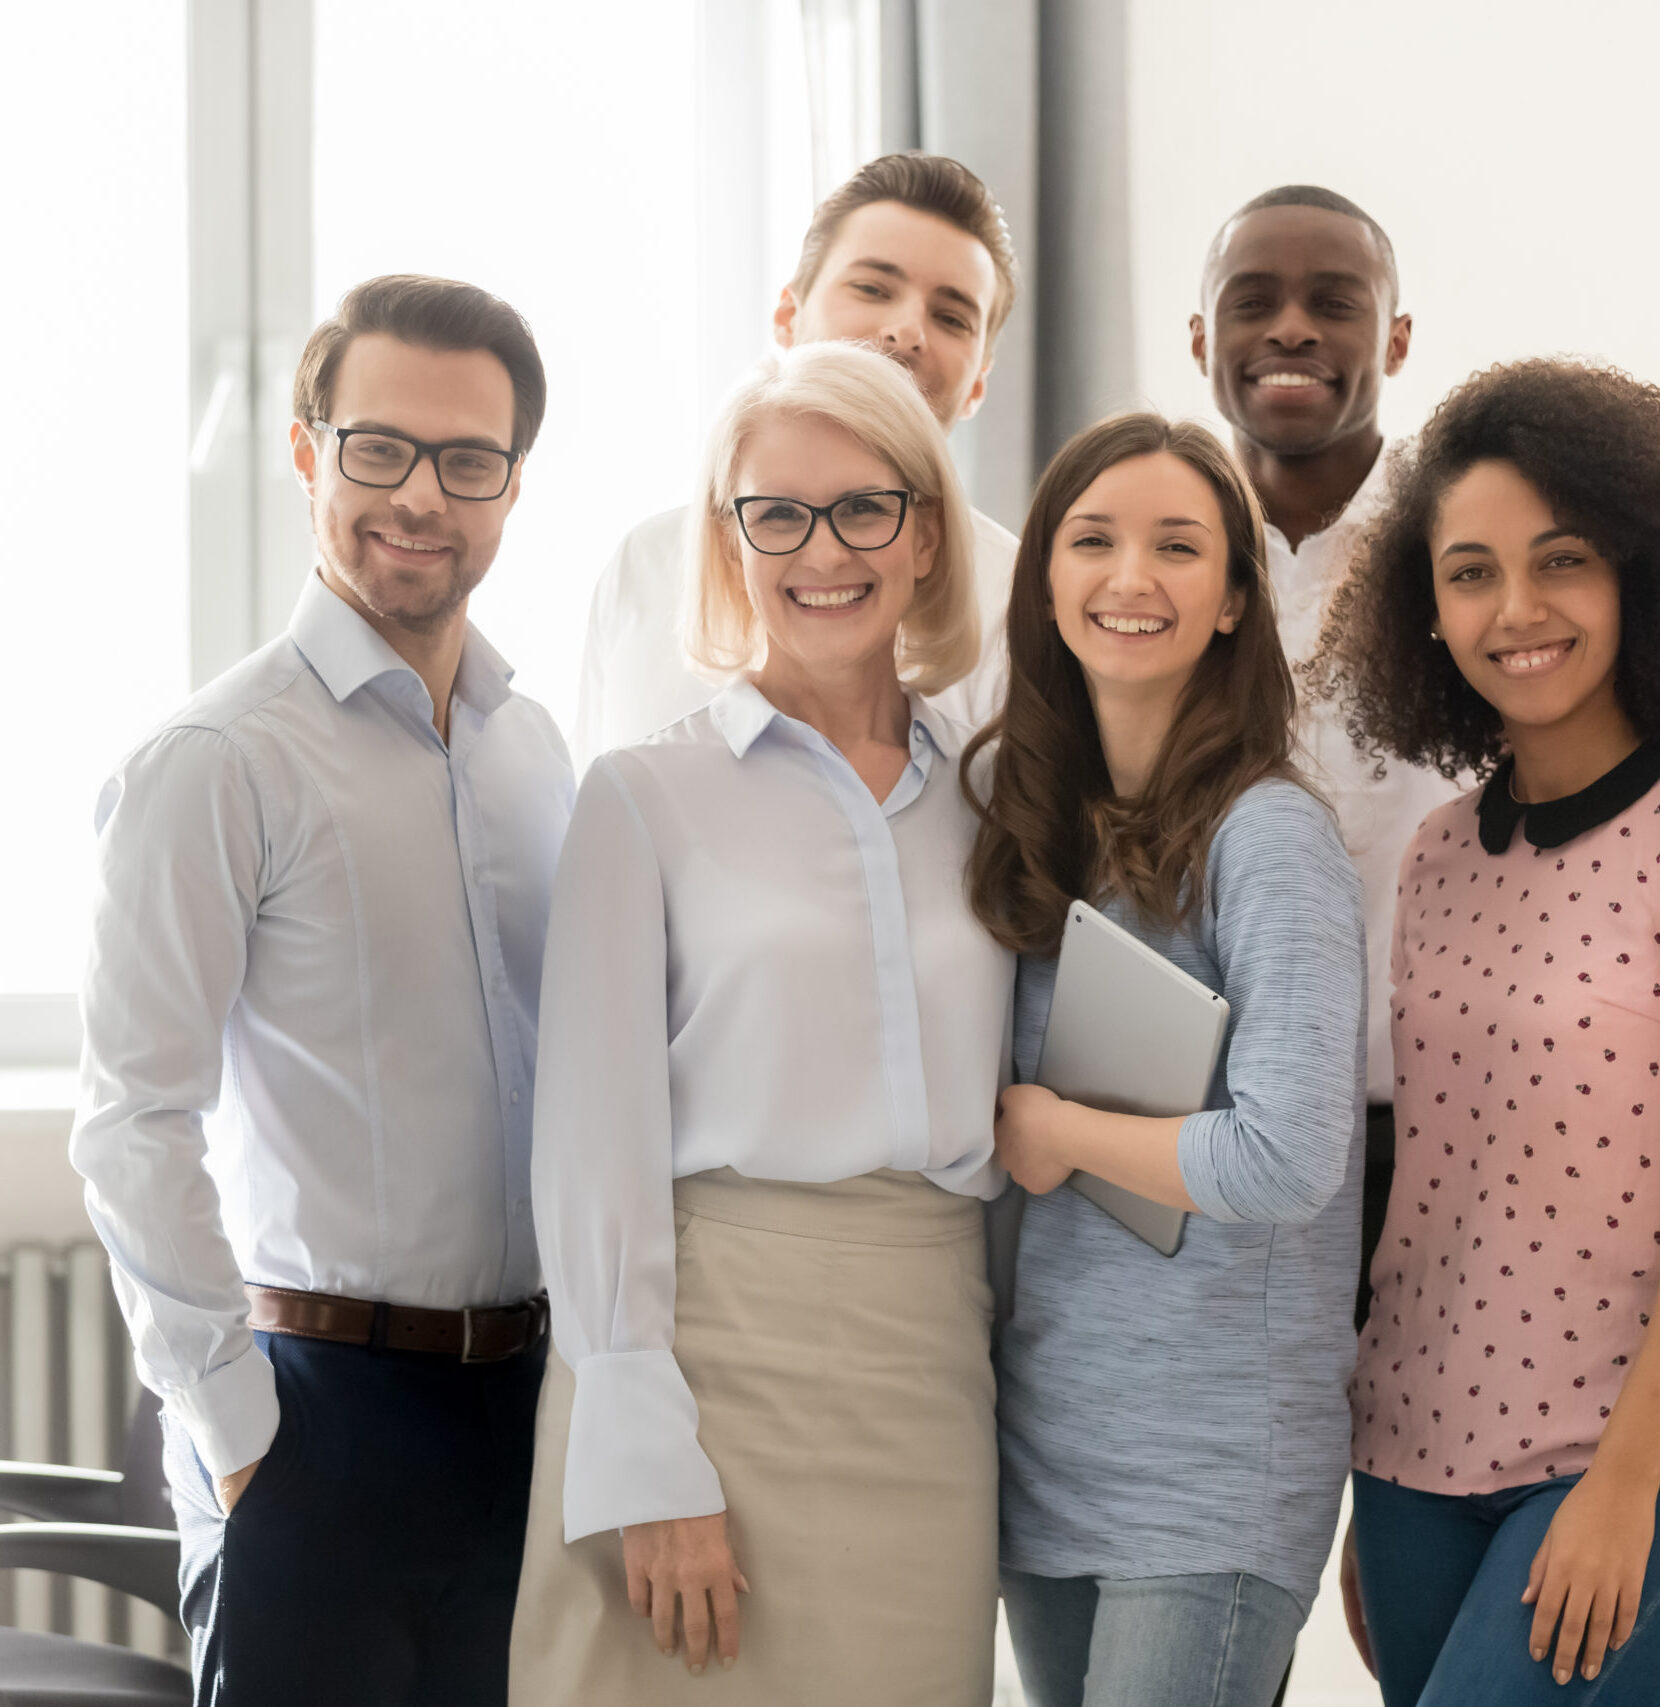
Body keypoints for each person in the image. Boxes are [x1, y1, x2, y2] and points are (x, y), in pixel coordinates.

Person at [70, 274, 568, 1705]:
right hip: (314, 1414)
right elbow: (129, 1124)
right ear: (307, 451)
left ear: (512, 486)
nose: (420, 495)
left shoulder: (539, 752)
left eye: (467, 460)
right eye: (377, 447)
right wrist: (240, 1434)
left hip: (528, 1411)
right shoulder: (216, 761)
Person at [1308, 359, 1660, 1705]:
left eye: (1561, 561)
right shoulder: (1436, 855)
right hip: (1419, 1442)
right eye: (1469, 571)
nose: (1515, 609)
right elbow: (1442, 1178)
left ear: (1643, 576)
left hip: (1643, 1448)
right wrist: (1381, 1466)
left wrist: (1623, 1480)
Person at [508, 340, 1007, 1706]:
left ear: (924, 534)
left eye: (862, 506)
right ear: (730, 542)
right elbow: (591, 1144)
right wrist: (643, 1446)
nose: (818, 548)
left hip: (927, 1371)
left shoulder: (997, 791)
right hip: (709, 1356)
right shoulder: (643, 796)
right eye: (772, 512)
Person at [966, 412, 1368, 1707]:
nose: (1130, 576)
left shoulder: (1268, 835)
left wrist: (1061, 1131)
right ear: (1042, 579)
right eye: (1093, 539)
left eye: (1178, 546)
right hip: (1053, 1440)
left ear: (1237, 602)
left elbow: (1289, 1155)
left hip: (1211, 1466)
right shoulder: (1035, 829)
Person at [1191, 185, 1465, 1329]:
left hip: (1446, 1126)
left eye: (1333, 304)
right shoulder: (1154, 556)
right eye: (1251, 303)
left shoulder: (1466, 549)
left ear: (1394, 338)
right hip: (1212, 1129)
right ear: (1201, 340)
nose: (1291, 329)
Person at [577, 150, 1022, 760]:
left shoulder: (1016, 605)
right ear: (788, 315)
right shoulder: (643, 568)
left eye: (951, 317)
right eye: (872, 287)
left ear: (978, 382)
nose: (907, 329)